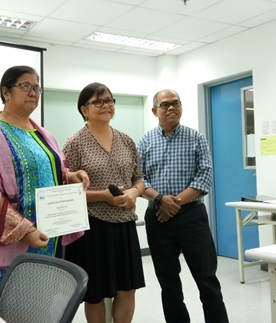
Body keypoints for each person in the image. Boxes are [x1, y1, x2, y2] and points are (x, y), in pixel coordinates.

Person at [0, 65, 89, 297]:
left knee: (43, 305)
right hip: (14, 244)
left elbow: (50, 171)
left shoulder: (42, 133)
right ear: (6, 92)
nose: (33, 92)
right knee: (16, 308)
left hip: (48, 237)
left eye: (37, 87)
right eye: (25, 86)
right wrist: (25, 231)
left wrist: (72, 176)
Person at [136, 89, 229, 323]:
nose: (171, 108)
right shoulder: (145, 141)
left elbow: (204, 175)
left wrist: (174, 203)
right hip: (158, 219)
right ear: (154, 110)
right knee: (169, 284)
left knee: (207, 281)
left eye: (175, 103)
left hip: (192, 217)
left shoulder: (196, 137)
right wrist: (160, 200)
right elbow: (137, 179)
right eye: (165, 104)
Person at [63, 82, 145, 323]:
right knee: (95, 294)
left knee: (127, 288)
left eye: (109, 100)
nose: (105, 105)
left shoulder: (126, 141)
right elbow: (66, 192)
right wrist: (103, 196)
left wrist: (133, 193)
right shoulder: (75, 142)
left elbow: (139, 179)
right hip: (91, 228)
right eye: (97, 101)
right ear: (84, 110)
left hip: (124, 226)